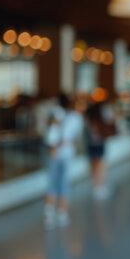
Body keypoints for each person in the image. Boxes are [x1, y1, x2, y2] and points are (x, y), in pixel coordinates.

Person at [43, 93, 84, 229]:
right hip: (66, 152)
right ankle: (62, 214)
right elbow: (76, 136)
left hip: (54, 152)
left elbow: (50, 131)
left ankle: (49, 215)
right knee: (64, 183)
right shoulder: (76, 118)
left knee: (52, 183)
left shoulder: (57, 113)